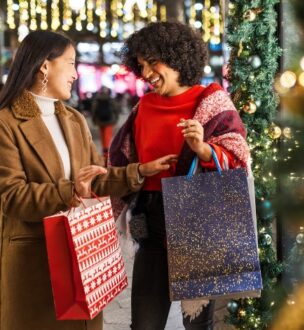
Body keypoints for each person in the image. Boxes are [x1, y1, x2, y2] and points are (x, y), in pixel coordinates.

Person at [0, 30, 177, 330]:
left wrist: (139, 171)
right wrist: (70, 190)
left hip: (81, 257)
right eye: (70, 63)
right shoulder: (6, 123)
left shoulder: (73, 119)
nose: (75, 73)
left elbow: (94, 178)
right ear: (45, 65)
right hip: (36, 263)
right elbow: (12, 197)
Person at [109, 22, 250, 330]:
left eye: (152, 62)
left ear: (176, 56)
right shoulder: (143, 106)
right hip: (151, 221)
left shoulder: (212, 102)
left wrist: (202, 149)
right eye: (141, 65)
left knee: (197, 325)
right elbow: (122, 159)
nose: (146, 73)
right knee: (144, 324)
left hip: (198, 219)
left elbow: (238, 159)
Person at [91, 87, 120, 162]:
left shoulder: (97, 100)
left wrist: (94, 119)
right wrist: (116, 118)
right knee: (108, 136)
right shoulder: (111, 99)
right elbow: (116, 109)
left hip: (100, 121)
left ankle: (104, 150)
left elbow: (94, 110)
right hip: (109, 120)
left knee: (103, 135)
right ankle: (106, 153)